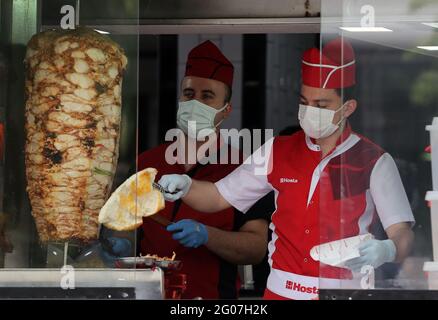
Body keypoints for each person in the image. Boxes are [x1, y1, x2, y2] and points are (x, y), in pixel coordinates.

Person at [157, 38, 415, 300]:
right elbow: (218, 196)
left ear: (347, 107)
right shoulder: (277, 150)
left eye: (321, 105)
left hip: (343, 292)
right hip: (280, 292)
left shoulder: (374, 161)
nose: (309, 111)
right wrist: (187, 186)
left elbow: (402, 232)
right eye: (304, 101)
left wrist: (388, 249)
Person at [137, 40, 270, 299]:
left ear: (226, 110)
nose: (195, 102)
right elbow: (127, 225)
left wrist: (208, 235)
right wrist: (118, 243)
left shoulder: (244, 169)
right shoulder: (146, 162)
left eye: (207, 96)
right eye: (189, 94)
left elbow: (255, 247)